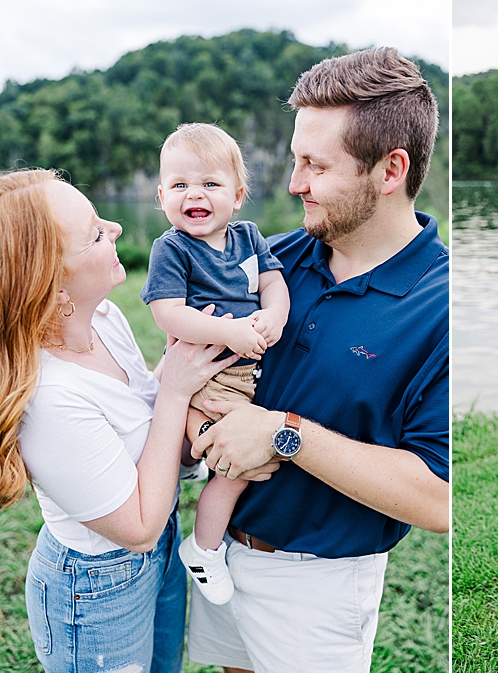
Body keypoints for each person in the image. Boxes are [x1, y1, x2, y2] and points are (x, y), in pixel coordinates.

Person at [184, 46, 449, 673]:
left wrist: (284, 434)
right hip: (219, 550)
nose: (294, 183)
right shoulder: (270, 260)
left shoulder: (441, 305)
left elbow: (441, 499)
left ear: (390, 170)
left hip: (319, 585)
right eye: (296, 159)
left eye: (315, 165)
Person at [0, 168, 245, 673]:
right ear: (51, 280)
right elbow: (135, 528)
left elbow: (145, 413)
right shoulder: (50, 398)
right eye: (93, 232)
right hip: (96, 589)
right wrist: (177, 390)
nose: (114, 227)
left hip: (162, 551)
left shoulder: (106, 319)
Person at [140, 123, 290, 605]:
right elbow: (168, 312)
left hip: (246, 372)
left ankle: (192, 459)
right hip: (208, 372)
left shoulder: (247, 237)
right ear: (162, 195)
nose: (194, 195)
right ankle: (204, 548)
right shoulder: (172, 248)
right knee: (237, 468)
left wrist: (274, 317)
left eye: (210, 184)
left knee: (245, 456)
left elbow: (272, 284)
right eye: (180, 185)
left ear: (238, 195)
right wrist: (229, 331)